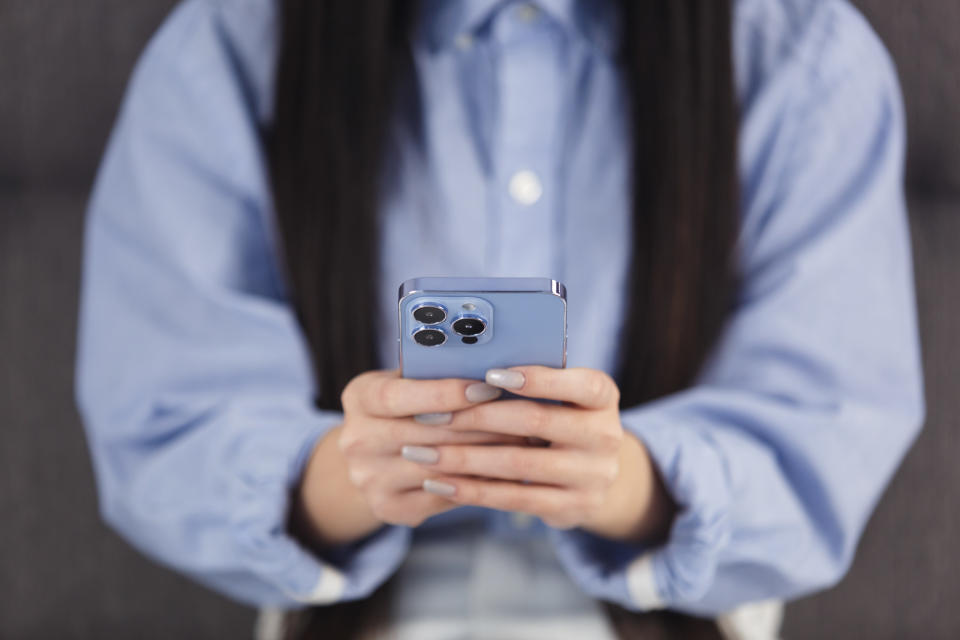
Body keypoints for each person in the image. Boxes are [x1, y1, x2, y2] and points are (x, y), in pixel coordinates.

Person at [76, 0, 924, 638]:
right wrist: (352, 472)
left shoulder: (804, 55)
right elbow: (161, 418)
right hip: (355, 613)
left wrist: (623, 482)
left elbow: (825, 433)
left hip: (663, 613)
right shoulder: (231, 45)